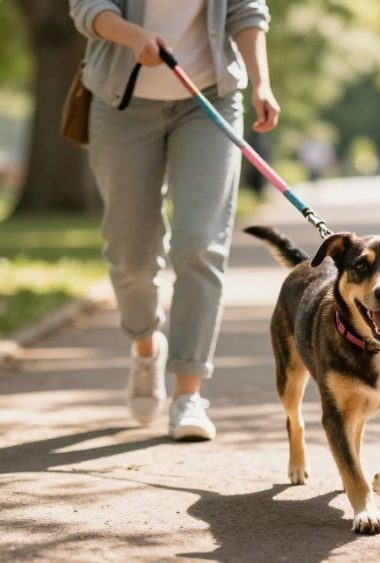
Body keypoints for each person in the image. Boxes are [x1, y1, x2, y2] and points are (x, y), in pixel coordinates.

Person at [69, 0, 279, 441]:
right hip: (122, 102)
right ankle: (146, 347)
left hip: (209, 100)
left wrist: (261, 82)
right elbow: (88, 8)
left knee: (201, 244)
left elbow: (246, 10)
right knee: (131, 255)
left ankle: (188, 394)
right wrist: (133, 35)